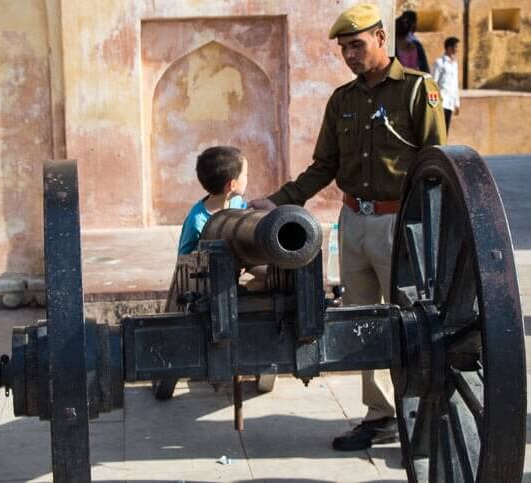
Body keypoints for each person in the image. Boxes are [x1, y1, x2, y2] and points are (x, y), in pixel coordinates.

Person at [249, 3, 447, 451]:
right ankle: (380, 415)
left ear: (381, 38)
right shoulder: (343, 100)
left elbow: (436, 162)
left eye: (356, 45)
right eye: (343, 49)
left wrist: (432, 227)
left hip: (400, 222)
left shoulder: (418, 91)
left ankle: (417, 411)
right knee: (364, 318)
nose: (350, 55)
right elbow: (325, 166)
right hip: (353, 221)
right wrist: (278, 201)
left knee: (407, 317)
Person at [178, 145, 248, 255]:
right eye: (245, 175)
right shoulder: (197, 221)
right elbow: (183, 261)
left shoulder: (236, 202)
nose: (247, 178)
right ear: (232, 185)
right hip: (210, 270)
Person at [432, 37, 461, 132]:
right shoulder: (439, 63)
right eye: (455, 47)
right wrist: (433, 103)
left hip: (450, 102)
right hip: (441, 102)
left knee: (445, 130)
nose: (457, 49)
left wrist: (457, 103)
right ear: (448, 48)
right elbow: (433, 83)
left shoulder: (454, 64)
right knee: (439, 129)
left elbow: (455, 84)